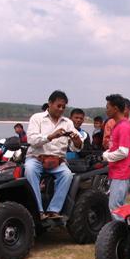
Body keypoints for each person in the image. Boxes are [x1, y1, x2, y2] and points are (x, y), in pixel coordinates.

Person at [24, 90, 83, 220]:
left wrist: (77, 141)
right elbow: (32, 140)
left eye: (63, 107)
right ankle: (38, 210)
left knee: (67, 175)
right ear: (50, 103)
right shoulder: (37, 118)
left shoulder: (67, 123)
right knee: (30, 169)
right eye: (58, 106)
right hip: (37, 158)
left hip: (57, 161)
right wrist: (50, 136)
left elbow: (76, 147)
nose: (61, 109)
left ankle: (53, 210)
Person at [101, 94, 130, 219]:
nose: (106, 110)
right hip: (116, 172)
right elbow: (115, 147)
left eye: (108, 107)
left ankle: (119, 231)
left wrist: (106, 156)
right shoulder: (117, 125)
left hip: (122, 173)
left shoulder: (124, 127)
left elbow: (123, 152)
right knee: (117, 207)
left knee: (115, 208)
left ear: (115, 109)